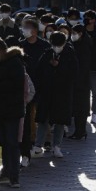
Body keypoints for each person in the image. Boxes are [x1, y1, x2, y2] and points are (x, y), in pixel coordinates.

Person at [33, 31, 77, 159]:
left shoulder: (70, 54)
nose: (56, 46)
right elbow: (38, 71)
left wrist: (60, 66)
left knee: (60, 121)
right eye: (54, 44)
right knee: (43, 119)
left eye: (59, 44)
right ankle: (38, 145)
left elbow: (74, 74)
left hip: (63, 93)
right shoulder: (47, 53)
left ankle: (56, 146)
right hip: (47, 92)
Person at [0, 39, 25, 187]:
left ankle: (14, 176)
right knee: (5, 143)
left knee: (12, 143)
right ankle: (6, 173)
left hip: (11, 110)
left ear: (0, 51)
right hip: (3, 110)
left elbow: (13, 87)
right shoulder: (4, 63)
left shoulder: (14, 64)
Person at [18, 18, 50, 167]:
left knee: (42, 115)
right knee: (28, 116)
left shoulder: (44, 46)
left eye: (27, 27)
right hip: (27, 87)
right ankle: (30, 145)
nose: (24, 30)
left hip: (42, 85)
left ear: (35, 30)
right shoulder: (20, 46)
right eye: (23, 27)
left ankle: (43, 142)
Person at [70, 24, 92, 139]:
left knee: (81, 108)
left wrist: (77, 79)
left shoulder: (84, 46)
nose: (72, 35)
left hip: (81, 82)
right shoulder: (76, 44)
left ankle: (81, 131)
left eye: (74, 33)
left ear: (81, 34)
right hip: (78, 81)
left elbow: (83, 66)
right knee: (78, 108)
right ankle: (79, 131)